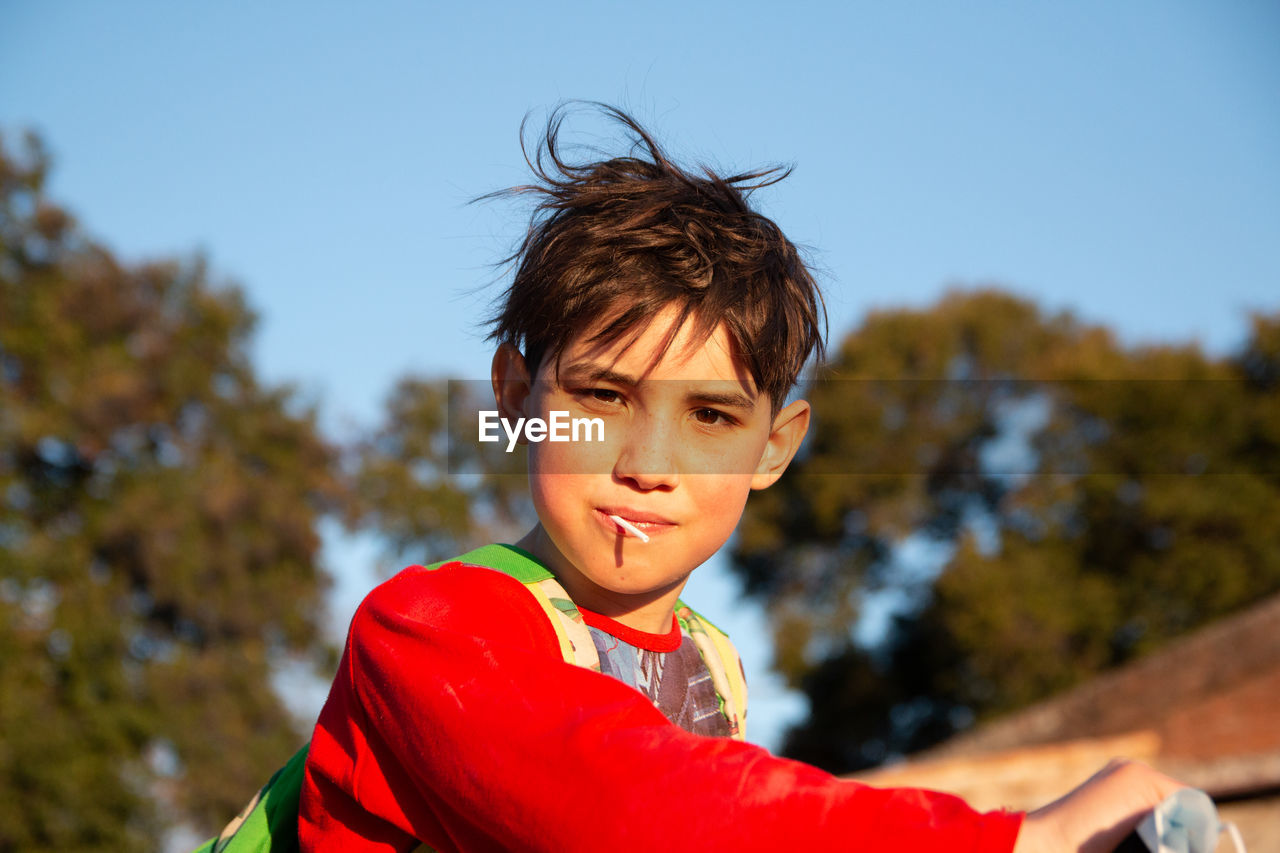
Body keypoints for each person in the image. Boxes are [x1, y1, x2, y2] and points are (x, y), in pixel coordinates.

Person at [299, 104, 1184, 852]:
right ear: (515, 398)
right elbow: (641, 809)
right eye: (604, 398)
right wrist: (1026, 837)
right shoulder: (429, 631)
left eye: (710, 416)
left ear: (775, 445)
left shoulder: (712, 669)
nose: (648, 468)